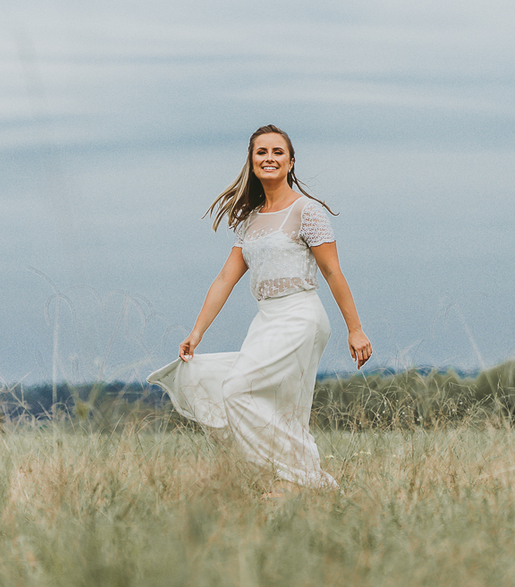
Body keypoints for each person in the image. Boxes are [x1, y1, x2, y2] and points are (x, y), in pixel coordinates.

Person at [147, 124, 372, 490]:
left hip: (301, 316)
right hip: (266, 319)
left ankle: (308, 480)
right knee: (275, 408)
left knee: (237, 390)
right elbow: (224, 279)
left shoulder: (307, 212)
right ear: (252, 162)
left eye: (277, 152)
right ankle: (288, 486)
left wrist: (355, 328)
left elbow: (332, 271)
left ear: (291, 161)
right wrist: (197, 331)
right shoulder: (249, 220)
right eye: (261, 152)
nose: (269, 158)